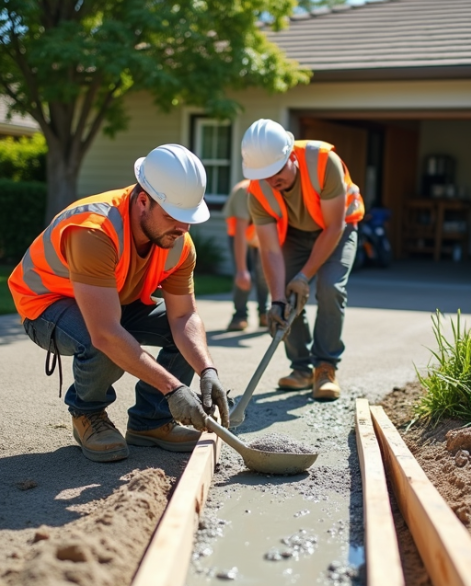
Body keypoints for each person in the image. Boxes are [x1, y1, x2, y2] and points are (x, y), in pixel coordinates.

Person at [8, 144, 230, 462]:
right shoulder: (93, 230)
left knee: (172, 330)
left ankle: (150, 423)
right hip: (46, 306)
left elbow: (184, 316)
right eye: (172, 216)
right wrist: (173, 388)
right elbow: (105, 333)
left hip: (111, 303)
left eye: (188, 218)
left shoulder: (179, 242)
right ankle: (88, 414)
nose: (182, 228)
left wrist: (207, 371)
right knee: (103, 342)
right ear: (143, 200)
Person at [241, 119, 365, 400]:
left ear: (291, 156)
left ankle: (325, 367)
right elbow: (270, 250)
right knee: (285, 296)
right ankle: (301, 369)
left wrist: (303, 276)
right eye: (264, 174)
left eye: (276, 170)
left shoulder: (324, 161)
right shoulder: (257, 191)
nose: (272, 180)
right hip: (296, 234)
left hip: (337, 228)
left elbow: (334, 227)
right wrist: (276, 300)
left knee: (330, 288)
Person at [222, 179, 269, 331]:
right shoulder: (245, 191)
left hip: (260, 235)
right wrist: (242, 270)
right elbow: (240, 232)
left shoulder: (275, 190)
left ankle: (264, 314)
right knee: (243, 277)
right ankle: (239, 316)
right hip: (239, 236)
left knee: (264, 275)